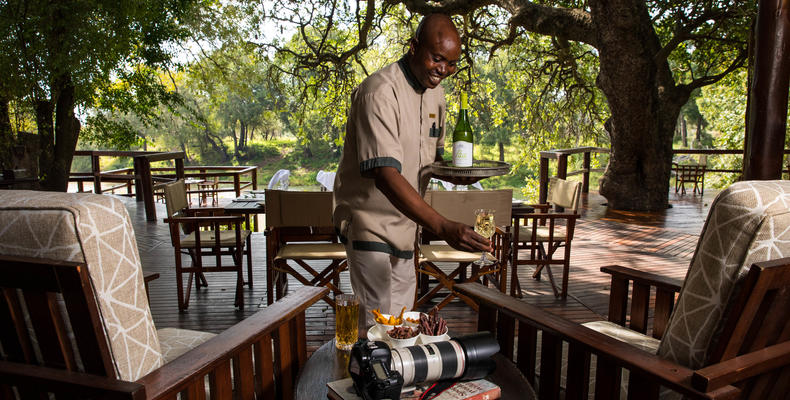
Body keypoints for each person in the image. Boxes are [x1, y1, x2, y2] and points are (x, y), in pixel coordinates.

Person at [333, 14, 491, 331]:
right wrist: (443, 226)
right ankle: (369, 379)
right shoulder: (378, 92)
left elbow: (434, 158)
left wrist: (458, 174)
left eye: (451, 63)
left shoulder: (437, 95)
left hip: (409, 227)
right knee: (377, 326)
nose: (443, 70)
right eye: (437, 59)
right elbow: (385, 174)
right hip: (369, 224)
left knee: (403, 324)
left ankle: (400, 379)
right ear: (414, 47)